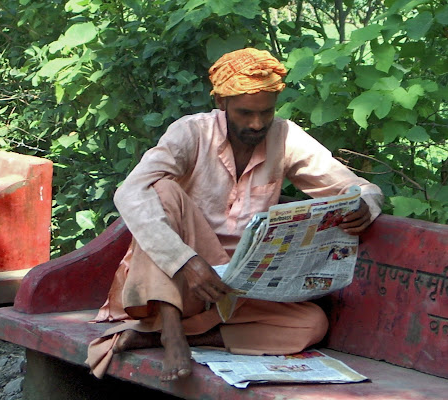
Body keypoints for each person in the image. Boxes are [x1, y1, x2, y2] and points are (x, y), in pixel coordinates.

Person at [86, 48, 384, 382]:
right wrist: (186, 261)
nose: (257, 124)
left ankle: (169, 337)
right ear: (222, 104)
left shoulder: (284, 137)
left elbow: (352, 186)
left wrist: (364, 202)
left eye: (265, 113)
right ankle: (169, 331)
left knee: (312, 324)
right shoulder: (191, 132)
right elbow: (130, 191)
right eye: (245, 113)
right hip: (178, 279)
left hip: (234, 287)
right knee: (163, 190)